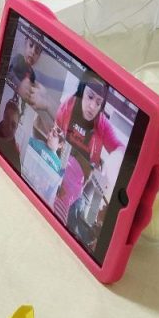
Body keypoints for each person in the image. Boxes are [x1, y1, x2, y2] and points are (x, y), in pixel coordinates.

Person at [51, 72, 124, 225]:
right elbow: (55, 134)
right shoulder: (67, 106)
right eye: (90, 97)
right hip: (56, 172)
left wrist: (115, 157)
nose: (92, 106)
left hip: (79, 189)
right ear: (82, 90)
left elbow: (120, 147)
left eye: (98, 102)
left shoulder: (103, 125)